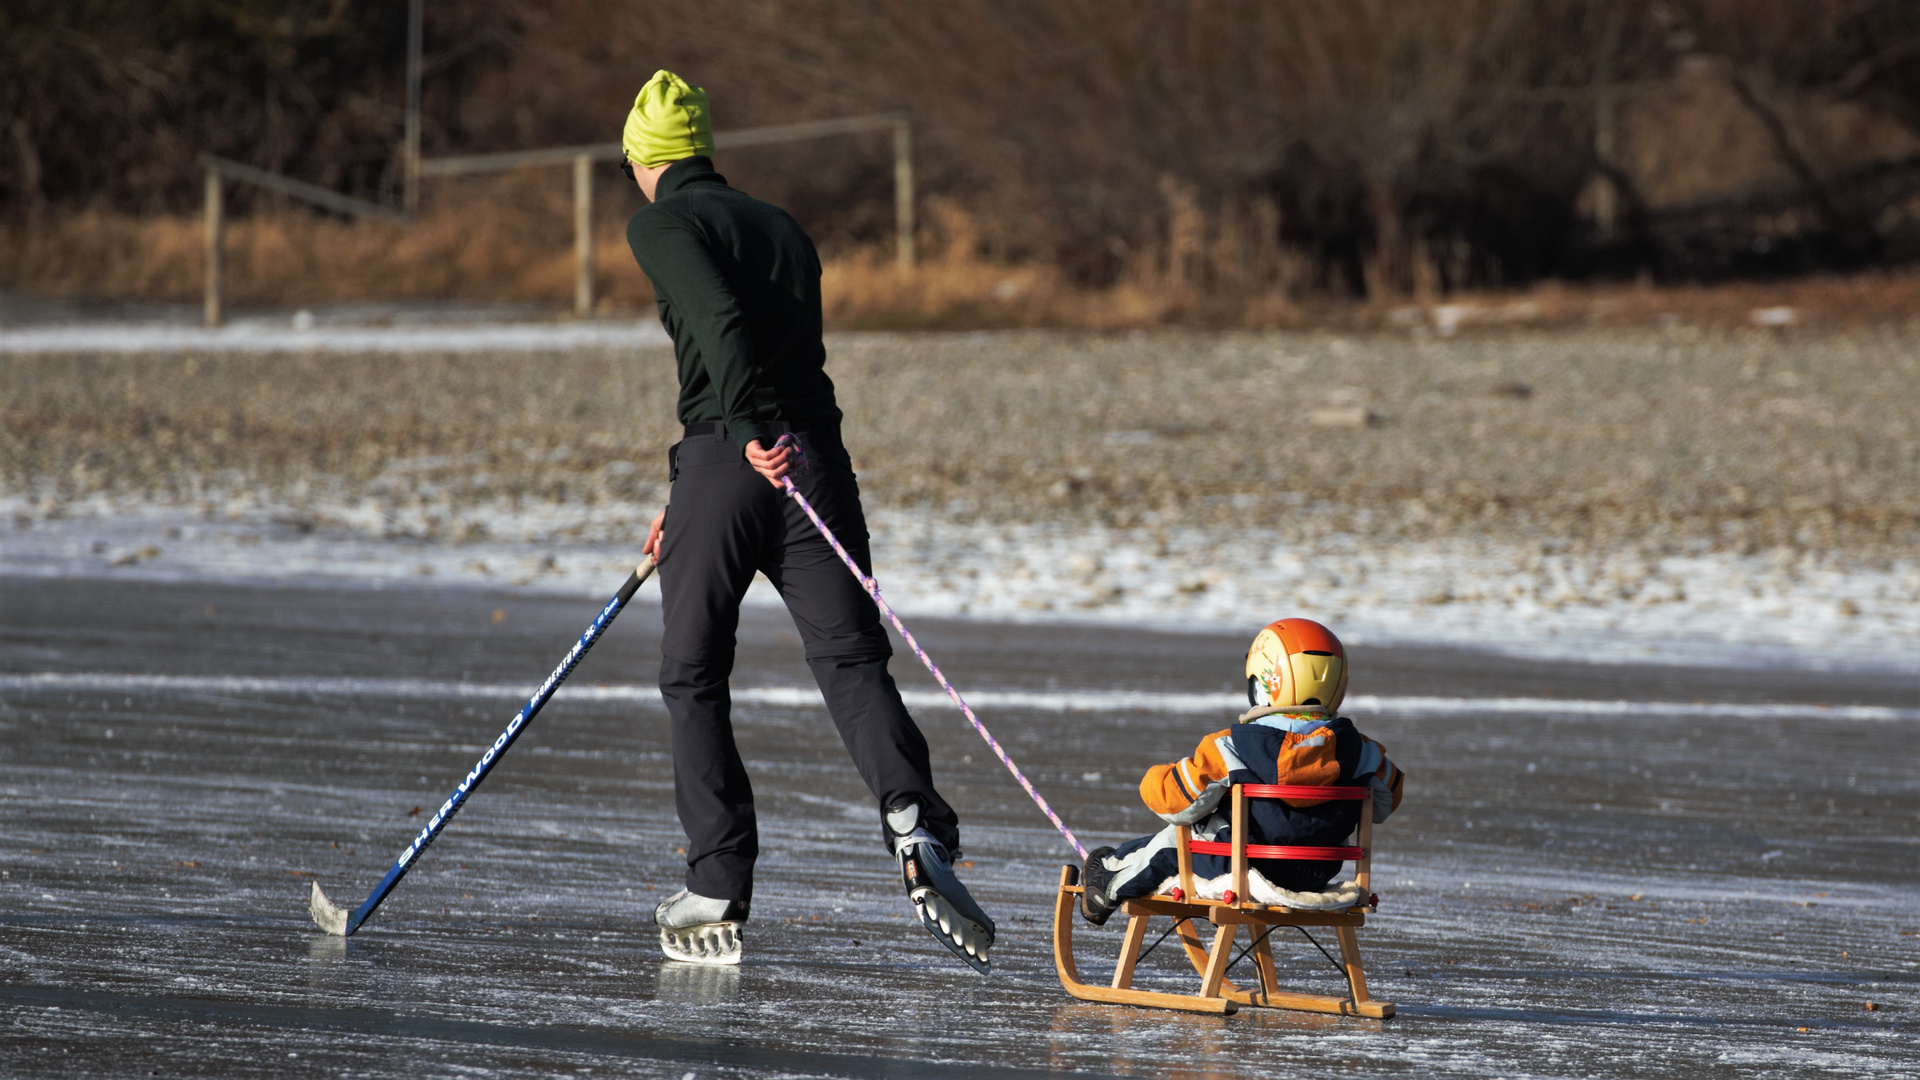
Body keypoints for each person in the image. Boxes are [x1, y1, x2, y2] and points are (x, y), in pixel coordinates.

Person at [617, 70, 994, 971]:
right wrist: (695, 500)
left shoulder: (661, 221)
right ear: (705, 147)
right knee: (852, 659)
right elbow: (782, 353)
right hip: (813, 462)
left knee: (693, 674)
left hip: (730, 454)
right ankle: (914, 822)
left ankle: (717, 877)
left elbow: (716, 324)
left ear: (644, 157)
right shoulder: (783, 226)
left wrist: (736, 443)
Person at [1079, 618, 1405, 924]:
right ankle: (1114, 866)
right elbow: (1383, 805)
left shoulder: (1231, 747)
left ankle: (1107, 881)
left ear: (1262, 685)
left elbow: (1178, 804)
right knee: (1196, 835)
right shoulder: (1364, 753)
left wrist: (1154, 778)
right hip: (1317, 872)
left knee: (1174, 843)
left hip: (1244, 869)